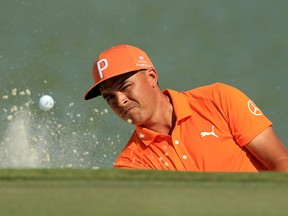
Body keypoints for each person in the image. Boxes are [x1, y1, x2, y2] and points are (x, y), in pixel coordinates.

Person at [84, 44, 288, 172]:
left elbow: (280, 160)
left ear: (151, 77)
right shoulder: (131, 164)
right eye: (109, 97)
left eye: (125, 87)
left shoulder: (219, 99)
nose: (120, 102)